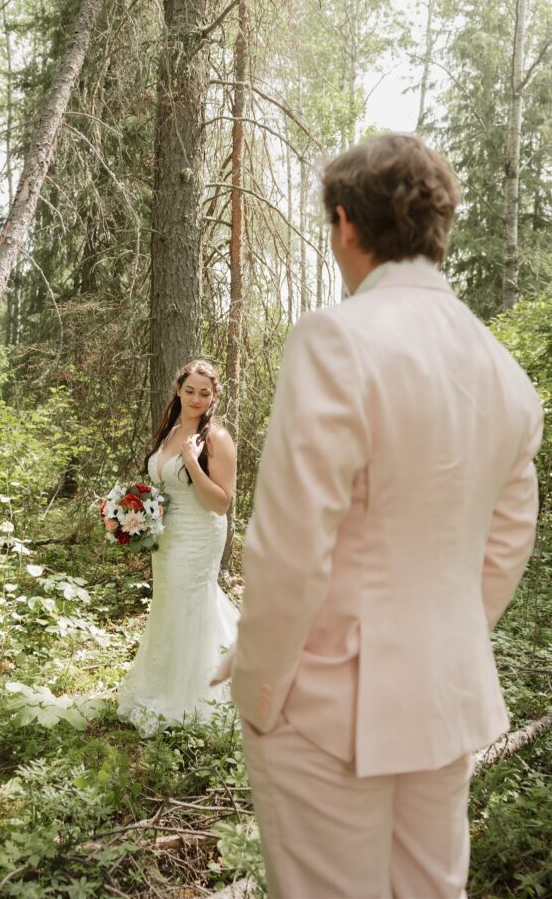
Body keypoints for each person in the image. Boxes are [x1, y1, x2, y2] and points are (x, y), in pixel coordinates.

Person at [212, 134, 543, 898]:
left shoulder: (335, 339)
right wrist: (440, 645)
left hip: (325, 704)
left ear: (345, 224)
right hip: (446, 694)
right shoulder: (506, 375)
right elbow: (503, 549)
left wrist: (260, 690)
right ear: (437, 228)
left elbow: (291, 545)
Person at [118, 359, 239, 735]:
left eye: (205, 393)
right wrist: (133, 510)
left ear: (214, 396)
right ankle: (164, 683)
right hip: (167, 536)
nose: (196, 398)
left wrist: (193, 462)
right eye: (190, 391)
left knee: (193, 604)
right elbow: (162, 484)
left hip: (200, 533)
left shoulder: (216, 438)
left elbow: (221, 502)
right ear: (179, 390)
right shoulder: (169, 431)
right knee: (170, 605)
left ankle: (194, 699)